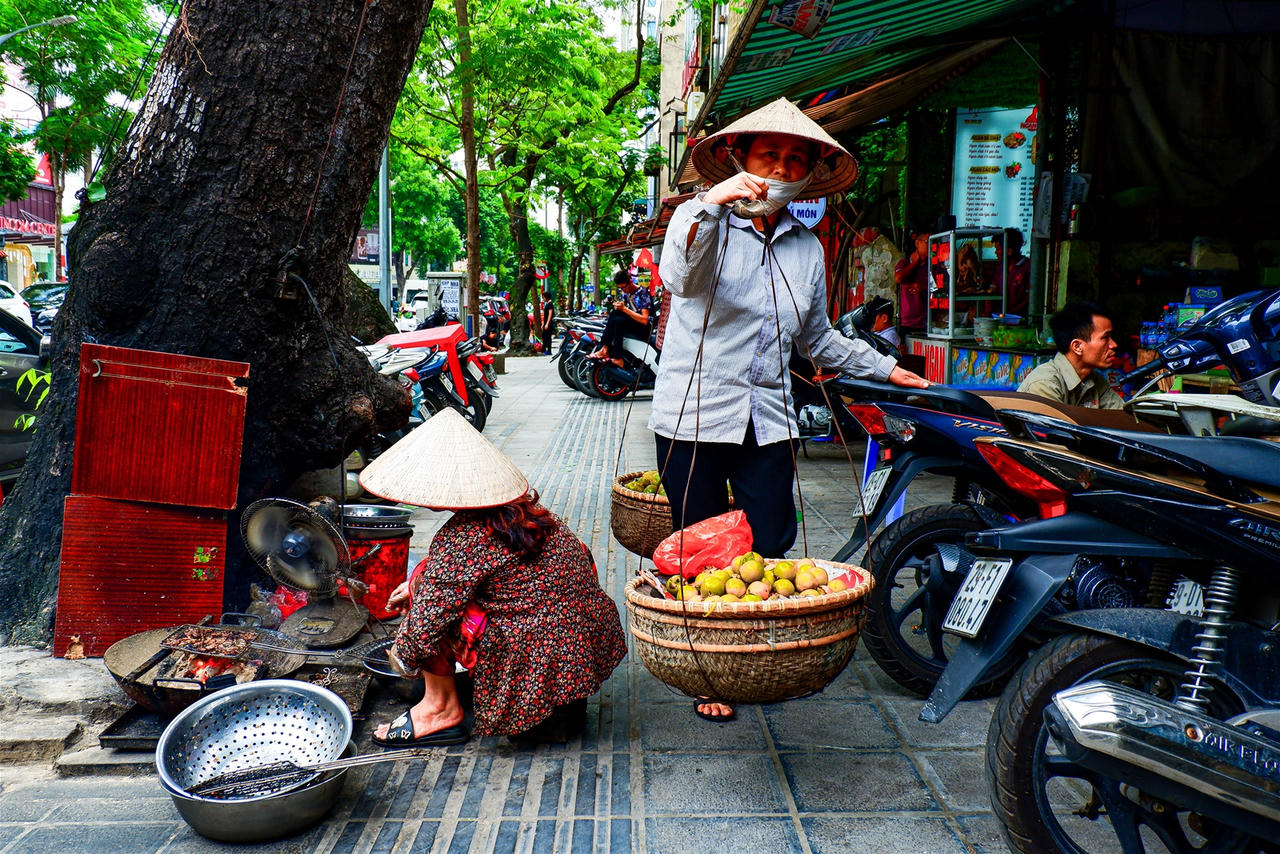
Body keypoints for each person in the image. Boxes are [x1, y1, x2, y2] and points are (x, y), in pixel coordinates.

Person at [655, 97, 928, 723]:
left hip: (767, 416)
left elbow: (820, 339)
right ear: (738, 160)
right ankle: (708, 668)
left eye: (794, 161)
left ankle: (756, 650)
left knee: (771, 535)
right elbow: (680, 280)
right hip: (695, 413)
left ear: (807, 175)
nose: (780, 168)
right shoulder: (701, 220)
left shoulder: (807, 248)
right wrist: (711, 204)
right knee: (699, 543)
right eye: (768, 156)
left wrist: (891, 369)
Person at [358, 408, 627, 746]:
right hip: (579, 650)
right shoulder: (536, 515)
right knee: (428, 578)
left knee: (428, 601)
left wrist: (403, 654)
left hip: (531, 659)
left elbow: (430, 618)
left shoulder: (462, 538)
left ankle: (438, 709)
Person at [1017, 300, 1125, 409]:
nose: (1113, 344)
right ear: (1077, 347)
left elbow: (1123, 418)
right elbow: (1053, 426)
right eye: (1105, 338)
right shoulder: (1044, 384)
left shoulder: (1095, 382)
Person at [588, 269, 652, 366]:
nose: (623, 291)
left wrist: (624, 309)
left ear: (630, 281)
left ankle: (616, 356)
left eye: (624, 288)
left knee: (619, 320)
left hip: (645, 328)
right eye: (620, 289)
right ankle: (605, 348)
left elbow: (644, 320)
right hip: (633, 324)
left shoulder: (643, 293)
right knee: (615, 314)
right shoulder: (626, 294)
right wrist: (620, 307)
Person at [894, 230, 930, 331]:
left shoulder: (932, 265)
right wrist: (914, 263)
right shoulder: (905, 263)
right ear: (918, 243)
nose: (932, 245)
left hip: (927, 321)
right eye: (928, 241)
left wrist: (923, 287)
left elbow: (943, 286)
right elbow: (898, 278)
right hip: (907, 323)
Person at [993, 228, 1031, 316]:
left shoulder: (1028, 267)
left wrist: (1010, 313)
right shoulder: (1000, 269)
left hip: (1021, 318)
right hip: (1001, 316)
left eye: (998, 249)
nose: (996, 252)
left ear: (1009, 251)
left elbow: (1029, 298)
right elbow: (992, 290)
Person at [539, 290, 556, 356]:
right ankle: (544, 349)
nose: (543, 299)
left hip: (548, 324)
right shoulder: (547, 304)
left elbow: (550, 315)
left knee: (548, 337)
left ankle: (549, 350)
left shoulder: (550, 304)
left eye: (543, 297)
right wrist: (543, 323)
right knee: (544, 336)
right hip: (546, 323)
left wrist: (547, 324)